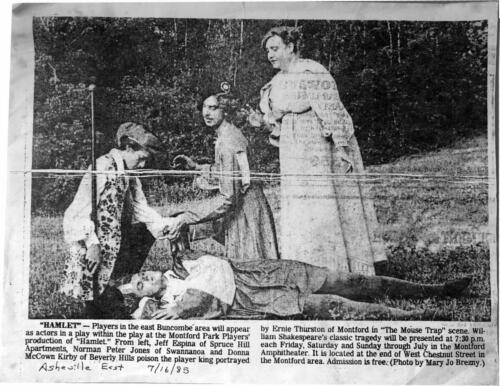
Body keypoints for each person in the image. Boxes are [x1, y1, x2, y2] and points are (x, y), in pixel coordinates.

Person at [249, 26, 387, 275]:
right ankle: (306, 268)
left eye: (275, 48)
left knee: (323, 203)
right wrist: (263, 122)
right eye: (268, 50)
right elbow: (277, 121)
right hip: (293, 150)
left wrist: (342, 147)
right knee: (301, 204)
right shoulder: (276, 83)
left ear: (290, 47)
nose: (270, 54)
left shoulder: (311, 72)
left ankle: (338, 268)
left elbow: (332, 111)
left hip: (318, 149)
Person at [118, 248, 471, 321]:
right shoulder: (168, 309)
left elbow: (215, 262)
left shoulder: (179, 265)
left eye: (139, 275)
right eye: (137, 286)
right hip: (253, 301)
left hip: (262, 274)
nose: (143, 278)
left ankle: (435, 291)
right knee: (333, 305)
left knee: (349, 280)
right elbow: (208, 302)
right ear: (141, 300)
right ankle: (418, 316)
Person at [61, 122, 173, 318]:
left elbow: (140, 207)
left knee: (141, 236)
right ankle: (96, 310)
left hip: (114, 240)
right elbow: (76, 211)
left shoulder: (128, 173)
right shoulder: (102, 166)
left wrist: (167, 228)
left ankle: (114, 297)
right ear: (128, 148)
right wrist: (91, 244)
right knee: (96, 293)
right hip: (95, 244)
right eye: (141, 159)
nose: (142, 165)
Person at [169, 92, 280, 261]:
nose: (206, 113)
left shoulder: (228, 142)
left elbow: (228, 197)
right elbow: (227, 172)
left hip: (246, 213)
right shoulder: (229, 134)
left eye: (213, 108)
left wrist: (187, 217)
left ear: (226, 111)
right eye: (204, 108)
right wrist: (197, 167)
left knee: (251, 271)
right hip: (248, 208)